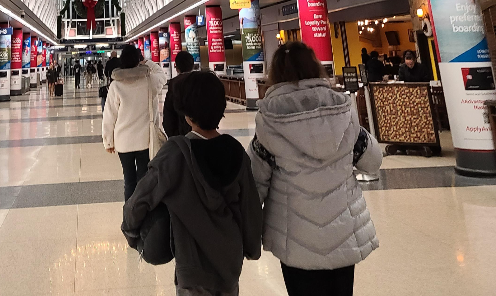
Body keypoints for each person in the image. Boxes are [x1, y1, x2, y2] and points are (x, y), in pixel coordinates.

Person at [248, 42, 382, 296]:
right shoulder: (343, 109)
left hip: (294, 235)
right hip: (343, 230)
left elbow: (255, 181)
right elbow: (372, 161)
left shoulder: (268, 120)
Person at [122, 70, 262, 296]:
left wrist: (132, 233)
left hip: (192, 265)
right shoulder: (235, 151)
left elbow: (140, 199)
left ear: (187, 116)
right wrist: (252, 246)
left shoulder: (176, 153)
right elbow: (250, 207)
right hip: (230, 260)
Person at [102, 44, 167, 201]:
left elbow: (109, 115)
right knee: (143, 180)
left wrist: (108, 141)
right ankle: (142, 211)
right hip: (145, 140)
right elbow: (162, 74)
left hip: (123, 141)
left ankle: (129, 211)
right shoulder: (149, 81)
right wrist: (147, 62)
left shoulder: (115, 85)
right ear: (138, 60)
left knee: (129, 181)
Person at [163, 50, 195, 137]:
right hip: (200, 133)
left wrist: (172, 135)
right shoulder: (200, 82)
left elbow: (168, 115)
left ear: (176, 67)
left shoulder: (174, 84)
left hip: (179, 134)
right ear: (193, 65)